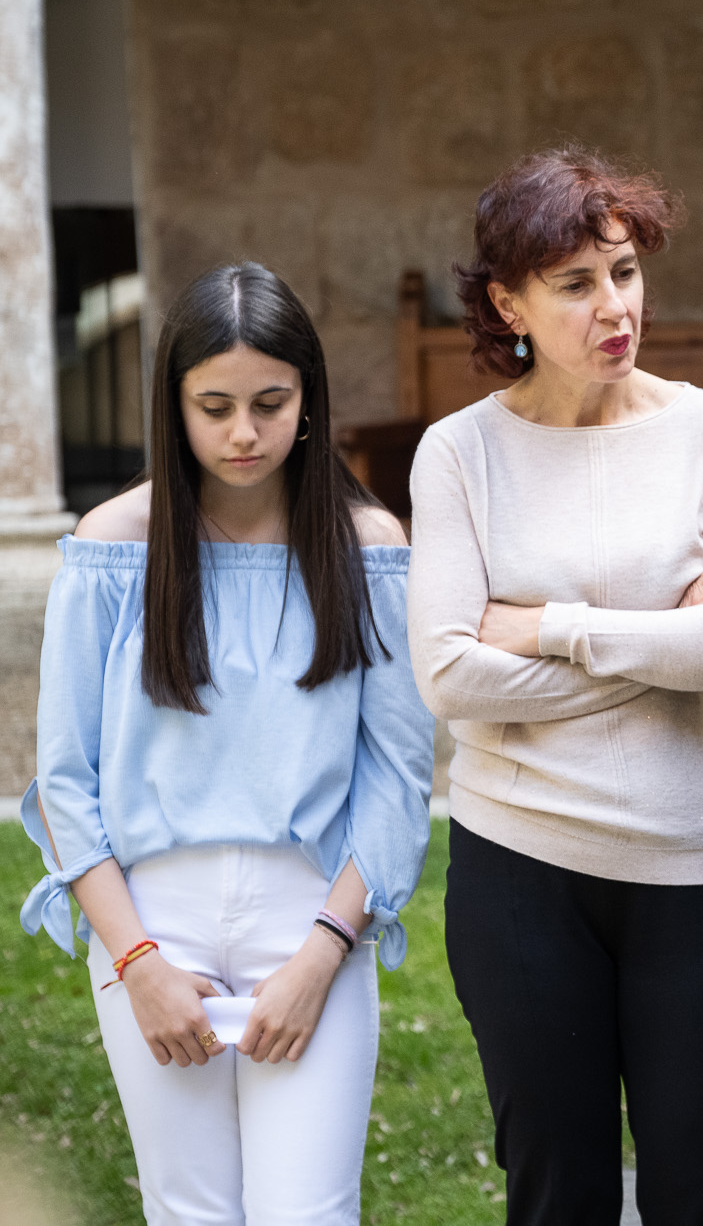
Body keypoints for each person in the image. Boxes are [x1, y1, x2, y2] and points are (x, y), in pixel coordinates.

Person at [407, 148, 703, 1224]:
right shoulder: (457, 456)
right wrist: (669, 638)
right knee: (554, 1186)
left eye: (623, 273)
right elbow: (448, 673)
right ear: (508, 302)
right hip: (521, 865)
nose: (614, 306)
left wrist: (557, 629)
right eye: (576, 284)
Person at [18, 262, 431, 1224]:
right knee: (188, 1211)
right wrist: (138, 964)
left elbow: (398, 773)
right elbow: (64, 781)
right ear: (175, 403)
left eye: (270, 403)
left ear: (308, 399)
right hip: (154, 921)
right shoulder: (113, 546)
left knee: (309, 1211)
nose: (243, 433)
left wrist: (325, 951)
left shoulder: (367, 545)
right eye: (214, 406)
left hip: (315, 916)